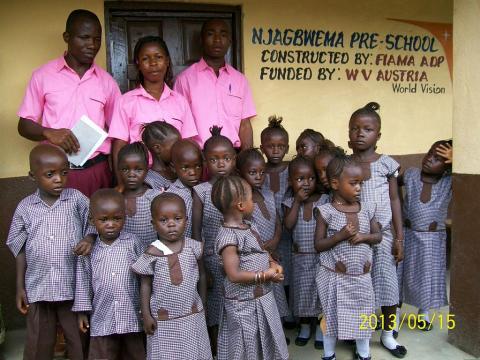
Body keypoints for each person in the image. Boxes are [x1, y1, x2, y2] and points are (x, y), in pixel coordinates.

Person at [17, 9, 120, 197]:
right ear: (67, 37)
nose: (92, 45)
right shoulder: (42, 76)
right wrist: (48, 132)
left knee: (96, 225)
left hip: (97, 171)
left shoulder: (107, 82)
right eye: (84, 37)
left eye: (97, 39)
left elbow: (118, 131)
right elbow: (23, 125)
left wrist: (116, 175)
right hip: (56, 174)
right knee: (60, 226)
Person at [6, 144, 92, 360]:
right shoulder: (25, 207)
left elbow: (93, 225)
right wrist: (20, 288)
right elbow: (19, 248)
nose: (58, 179)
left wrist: (89, 238)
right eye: (50, 174)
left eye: (64, 173)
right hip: (39, 287)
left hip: (72, 286)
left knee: (78, 341)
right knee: (38, 344)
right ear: (32, 176)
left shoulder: (77, 200)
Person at [348, 102, 407, 358]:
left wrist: (400, 238)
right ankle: (362, 341)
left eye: (367, 129)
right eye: (355, 128)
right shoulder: (344, 164)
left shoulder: (387, 165)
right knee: (358, 288)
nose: (360, 133)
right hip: (355, 239)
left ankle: (387, 335)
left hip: (383, 237)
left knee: (387, 286)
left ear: (378, 135)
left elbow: (395, 200)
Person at [212, 176, 289, 360]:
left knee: (267, 342)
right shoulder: (227, 237)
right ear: (241, 205)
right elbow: (234, 274)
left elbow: (261, 250)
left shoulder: (250, 226)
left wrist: (272, 264)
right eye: (250, 198)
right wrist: (265, 275)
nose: (253, 201)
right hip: (243, 305)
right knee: (247, 345)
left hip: (262, 299)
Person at [315, 155, 382, 360]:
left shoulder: (367, 208)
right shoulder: (326, 211)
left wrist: (364, 237)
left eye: (360, 183)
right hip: (334, 278)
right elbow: (318, 245)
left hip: (361, 278)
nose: (358, 188)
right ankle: (329, 354)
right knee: (331, 316)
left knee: (363, 314)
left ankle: (364, 353)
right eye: (353, 183)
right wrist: (339, 236)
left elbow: (378, 236)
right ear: (335, 183)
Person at [132, 193, 211, 360]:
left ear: (186, 220)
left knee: (194, 351)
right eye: (163, 220)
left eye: (177, 218)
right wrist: (145, 314)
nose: (171, 224)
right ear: (153, 224)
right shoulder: (152, 253)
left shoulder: (193, 247)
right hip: (163, 319)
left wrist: (203, 302)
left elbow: (202, 275)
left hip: (192, 313)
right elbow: (145, 285)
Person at [109, 36, 197, 178]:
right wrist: (121, 183)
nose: (153, 63)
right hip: (139, 178)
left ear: (167, 61)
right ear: (138, 63)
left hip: (176, 176)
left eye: (158, 57)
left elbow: (188, 142)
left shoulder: (180, 102)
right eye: (145, 59)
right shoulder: (125, 101)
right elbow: (119, 145)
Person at [73, 189, 145, 359]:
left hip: (131, 315)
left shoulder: (133, 243)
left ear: (125, 217)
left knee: (135, 353)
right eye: (104, 220)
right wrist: (82, 312)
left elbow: (145, 277)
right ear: (92, 220)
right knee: (102, 354)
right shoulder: (88, 249)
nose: (111, 224)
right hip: (102, 317)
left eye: (117, 218)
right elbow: (83, 282)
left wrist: (146, 308)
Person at [174, 19, 256, 149]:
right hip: (198, 157)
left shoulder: (240, 80)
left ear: (230, 41)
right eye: (211, 34)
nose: (217, 40)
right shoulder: (185, 80)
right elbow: (179, 125)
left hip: (233, 156)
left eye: (223, 35)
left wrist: (247, 160)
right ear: (201, 40)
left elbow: (245, 124)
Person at [191, 126, 237, 353]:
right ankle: (215, 350)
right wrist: (201, 268)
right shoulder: (200, 191)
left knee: (235, 306)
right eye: (214, 159)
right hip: (210, 259)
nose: (221, 164)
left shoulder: (239, 188)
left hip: (236, 258)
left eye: (226, 158)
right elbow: (196, 232)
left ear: (234, 159)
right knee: (214, 307)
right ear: (205, 161)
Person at [400, 140, 452, 330]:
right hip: (407, 234)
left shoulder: (449, 181)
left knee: (427, 277)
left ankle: (423, 314)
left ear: (447, 168)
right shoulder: (411, 174)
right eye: (430, 153)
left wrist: (458, 160)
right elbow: (391, 185)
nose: (430, 159)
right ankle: (393, 315)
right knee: (400, 273)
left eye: (438, 159)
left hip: (432, 240)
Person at [237, 149, 290, 322]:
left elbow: (277, 220)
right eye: (252, 172)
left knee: (276, 288)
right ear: (240, 173)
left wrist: (275, 240)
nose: (259, 176)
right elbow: (246, 228)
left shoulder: (268, 193)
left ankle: (278, 328)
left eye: (262, 172)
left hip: (272, 248)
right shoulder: (242, 202)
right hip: (257, 253)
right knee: (263, 291)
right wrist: (264, 249)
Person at [283, 156, 323, 348]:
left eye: (311, 178)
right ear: (291, 181)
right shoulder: (290, 202)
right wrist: (297, 202)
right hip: (299, 259)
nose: (306, 183)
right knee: (302, 293)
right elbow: (289, 226)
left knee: (320, 293)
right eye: (300, 179)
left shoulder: (324, 200)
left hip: (321, 258)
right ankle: (305, 327)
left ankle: (322, 330)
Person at [260, 116, 293, 290]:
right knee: (271, 275)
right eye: (270, 146)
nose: (275, 151)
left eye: (280, 147)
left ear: (287, 148)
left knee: (288, 274)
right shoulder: (258, 171)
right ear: (262, 148)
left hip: (287, 234)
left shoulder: (291, 172)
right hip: (265, 233)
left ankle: (290, 317)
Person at [117, 142, 163, 251]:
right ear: (118, 170)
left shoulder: (156, 198)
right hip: (123, 259)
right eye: (125, 169)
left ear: (147, 170)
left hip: (152, 257)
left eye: (138, 170)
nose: (131, 174)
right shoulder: (115, 200)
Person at [166, 139, 204, 238]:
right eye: (185, 168)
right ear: (173, 167)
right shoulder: (170, 196)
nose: (192, 172)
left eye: (198, 166)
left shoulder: (206, 190)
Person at [142, 121, 181, 190]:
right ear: (157, 148)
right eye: (175, 146)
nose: (179, 149)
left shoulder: (180, 170)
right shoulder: (149, 181)